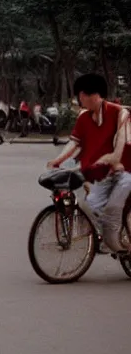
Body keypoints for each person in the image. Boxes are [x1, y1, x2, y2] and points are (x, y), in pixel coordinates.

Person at [47, 74, 131, 251]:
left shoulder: (119, 113)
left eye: (81, 95)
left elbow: (122, 144)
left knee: (113, 207)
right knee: (88, 205)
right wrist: (58, 160)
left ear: (94, 95)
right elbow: (75, 142)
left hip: (126, 170)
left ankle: (115, 243)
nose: (79, 99)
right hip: (105, 173)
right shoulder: (84, 117)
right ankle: (105, 237)